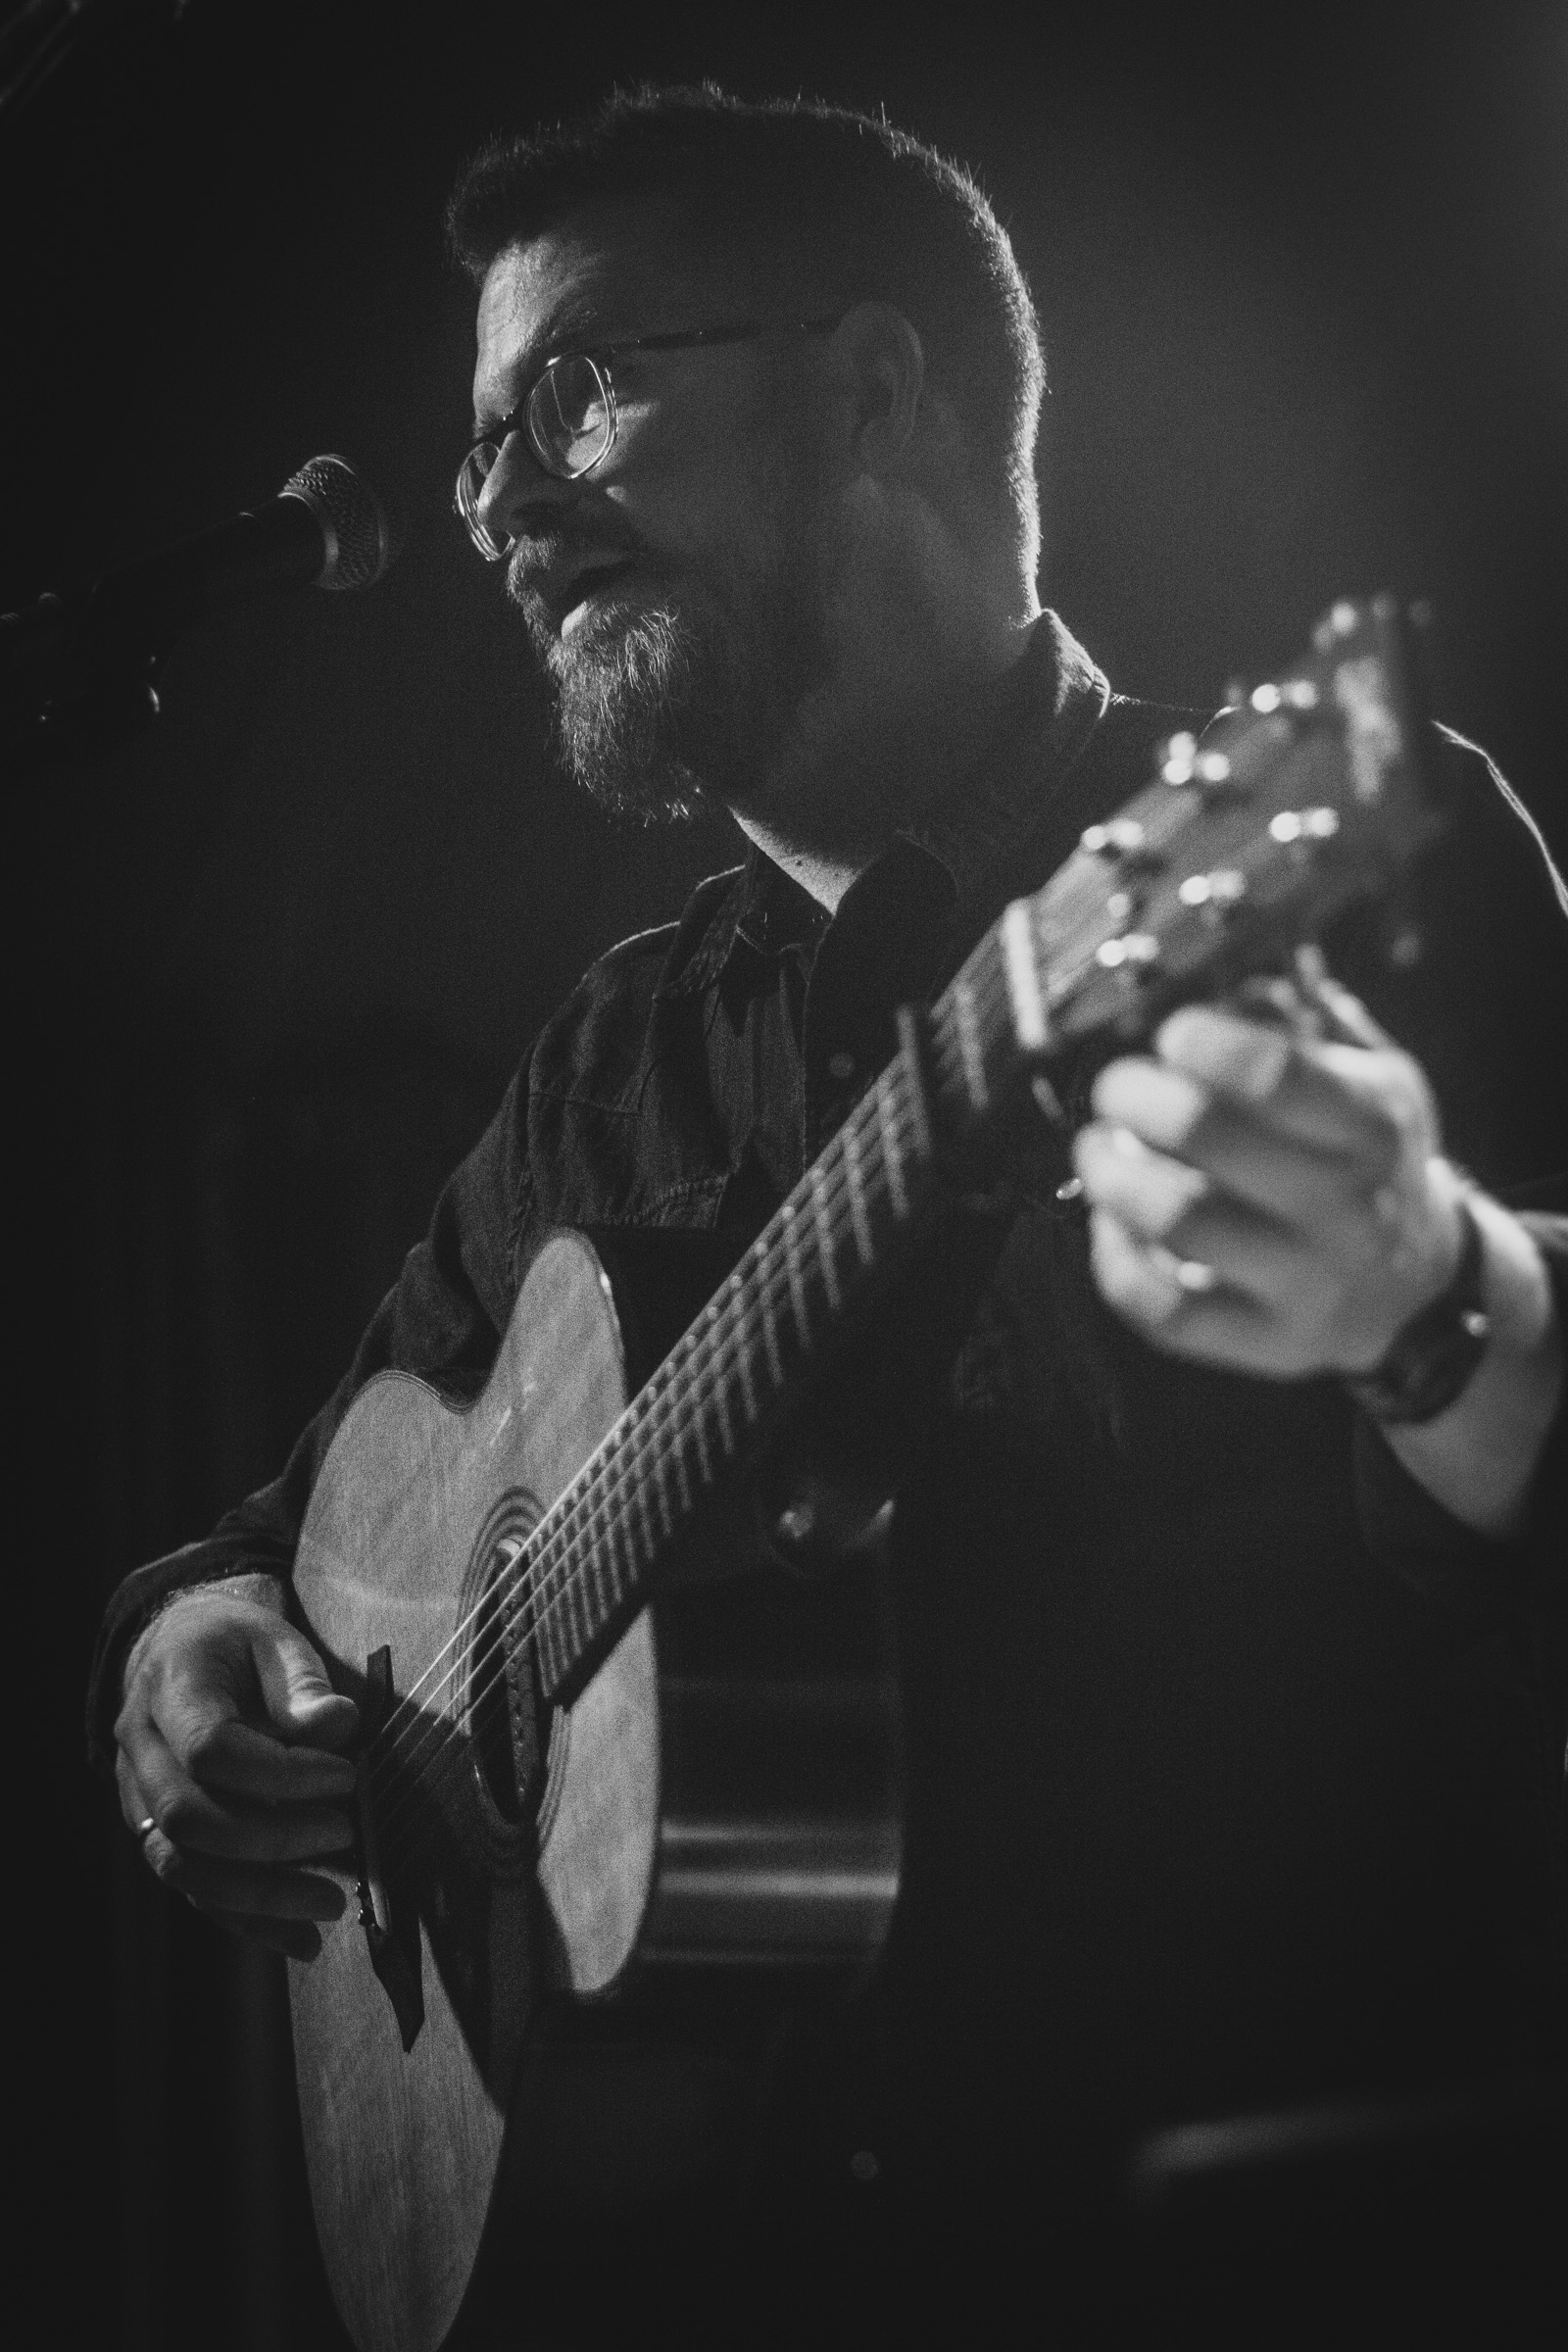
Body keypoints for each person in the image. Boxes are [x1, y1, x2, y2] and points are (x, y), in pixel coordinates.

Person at [93, 87, 1566, 2341]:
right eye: (478, 452)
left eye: (576, 390)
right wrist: (181, 1652)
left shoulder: (1314, 850)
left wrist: (1433, 1293)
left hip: (1270, 2220)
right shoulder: (612, 1059)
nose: (501, 510)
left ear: (873, 387)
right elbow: (288, 1543)